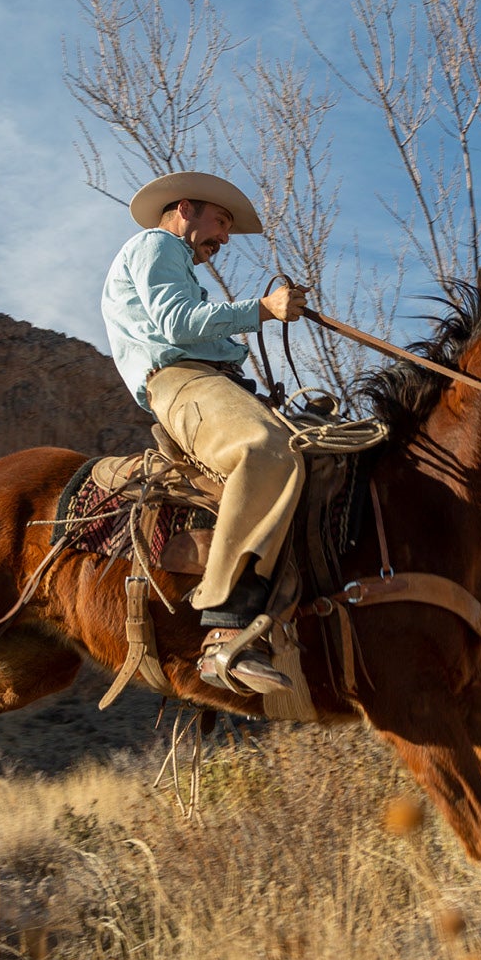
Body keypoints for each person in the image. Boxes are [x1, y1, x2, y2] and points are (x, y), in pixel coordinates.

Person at [100, 171, 309, 694]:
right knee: (267, 450)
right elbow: (176, 324)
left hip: (208, 379)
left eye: (229, 231)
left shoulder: (178, 261)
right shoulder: (156, 244)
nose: (223, 239)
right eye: (220, 222)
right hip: (181, 381)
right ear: (186, 207)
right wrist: (262, 309)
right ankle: (225, 629)